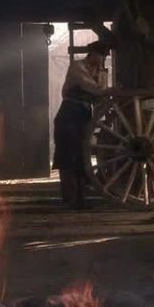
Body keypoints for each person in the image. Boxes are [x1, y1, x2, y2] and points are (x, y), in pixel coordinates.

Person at [53, 41, 111, 209]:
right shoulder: (77, 67)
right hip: (69, 112)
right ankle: (69, 198)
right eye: (101, 56)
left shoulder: (100, 72)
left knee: (81, 155)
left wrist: (102, 77)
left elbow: (100, 96)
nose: (102, 60)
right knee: (67, 154)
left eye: (104, 57)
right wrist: (106, 90)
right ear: (92, 54)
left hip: (85, 114)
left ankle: (80, 198)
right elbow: (95, 89)